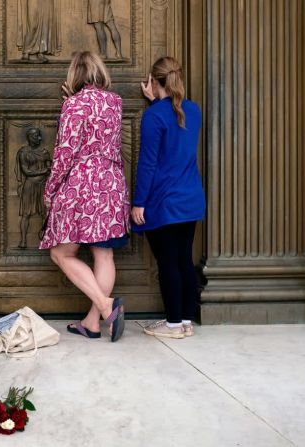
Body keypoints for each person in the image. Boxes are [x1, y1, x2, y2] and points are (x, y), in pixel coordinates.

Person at [40, 51, 129, 342]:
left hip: (82, 185)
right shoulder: (115, 102)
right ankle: (92, 322)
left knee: (60, 253)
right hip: (112, 183)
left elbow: (64, 153)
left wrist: (50, 189)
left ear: (74, 76)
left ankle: (105, 306)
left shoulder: (73, 105)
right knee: (103, 254)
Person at [132, 56, 205, 339]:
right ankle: (185, 320)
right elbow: (175, 134)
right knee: (184, 260)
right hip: (190, 199)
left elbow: (148, 163)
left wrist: (139, 202)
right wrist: (156, 102)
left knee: (168, 264)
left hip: (163, 200)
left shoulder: (154, 116)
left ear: (153, 81)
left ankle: (173, 324)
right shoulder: (193, 110)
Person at [15, 127, 52, 249]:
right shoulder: (23, 153)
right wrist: (44, 171)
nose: (38, 138)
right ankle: (23, 240)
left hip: (43, 185)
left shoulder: (44, 152)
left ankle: (44, 239)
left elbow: (50, 168)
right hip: (30, 186)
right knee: (26, 214)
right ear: (29, 138)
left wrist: (47, 170)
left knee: (44, 213)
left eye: (38, 135)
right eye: (35, 136)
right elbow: (26, 171)